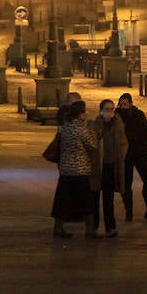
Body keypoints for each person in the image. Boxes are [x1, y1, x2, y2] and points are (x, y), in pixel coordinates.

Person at [52, 99, 98, 239]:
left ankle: (58, 227)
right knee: (86, 201)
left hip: (66, 169)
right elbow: (92, 146)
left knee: (63, 199)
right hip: (80, 169)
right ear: (81, 114)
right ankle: (90, 230)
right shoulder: (82, 129)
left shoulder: (64, 127)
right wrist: (93, 133)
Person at [115, 92, 147, 221]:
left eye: (125, 104)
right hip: (126, 155)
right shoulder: (116, 117)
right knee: (127, 184)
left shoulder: (138, 115)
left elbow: (145, 131)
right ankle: (129, 212)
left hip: (140, 153)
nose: (123, 106)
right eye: (121, 104)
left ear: (130, 104)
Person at [89, 98, 128, 237]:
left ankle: (110, 227)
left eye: (112, 109)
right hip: (98, 167)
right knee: (94, 197)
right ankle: (93, 227)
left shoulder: (118, 124)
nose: (110, 112)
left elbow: (124, 143)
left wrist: (121, 156)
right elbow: (91, 142)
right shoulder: (95, 125)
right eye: (107, 109)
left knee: (108, 199)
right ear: (101, 111)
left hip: (111, 166)